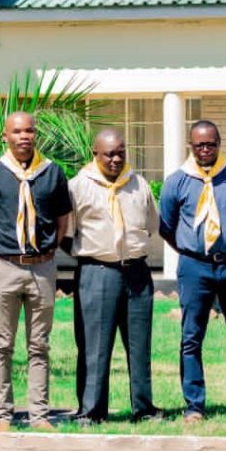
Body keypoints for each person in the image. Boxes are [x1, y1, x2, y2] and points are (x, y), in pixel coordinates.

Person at [0, 112, 71, 432]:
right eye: (17, 131)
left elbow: (62, 216)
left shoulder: (52, 172)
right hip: (6, 267)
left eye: (29, 131)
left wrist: (52, 248)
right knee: (2, 344)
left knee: (39, 344)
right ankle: (3, 414)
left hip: (42, 267)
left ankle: (39, 414)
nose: (24, 136)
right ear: (6, 135)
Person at [160, 120, 226, 422]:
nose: (205, 149)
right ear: (190, 146)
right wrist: (191, 250)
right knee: (191, 337)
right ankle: (194, 405)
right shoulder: (176, 181)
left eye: (211, 144)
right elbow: (167, 226)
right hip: (195, 266)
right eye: (199, 144)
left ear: (219, 143)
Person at [65, 129, 160, 424]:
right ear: (95, 152)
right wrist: (93, 253)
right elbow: (66, 234)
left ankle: (143, 408)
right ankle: (92, 411)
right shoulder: (77, 186)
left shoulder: (138, 183)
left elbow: (151, 224)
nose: (116, 159)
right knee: (94, 345)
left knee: (139, 343)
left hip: (136, 272)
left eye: (121, 152)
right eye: (109, 154)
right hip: (97, 272)